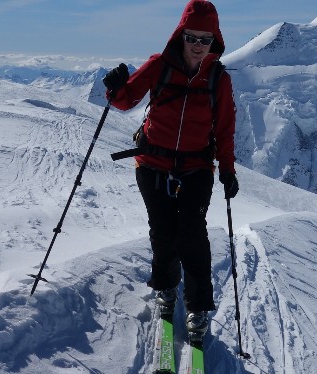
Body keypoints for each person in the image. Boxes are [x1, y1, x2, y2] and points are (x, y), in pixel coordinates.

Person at [101, 0, 238, 338]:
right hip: (153, 162)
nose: (197, 46)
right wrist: (115, 88)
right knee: (162, 231)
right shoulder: (160, 65)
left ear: (214, 42)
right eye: (192, 37)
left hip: (196, 165)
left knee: (191, 234)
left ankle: (198, 306)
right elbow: (125, 100)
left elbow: (224, 128)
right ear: (181, 34)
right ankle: (165, 288)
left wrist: (228, 169)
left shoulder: (218, 78)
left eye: (205, 40)